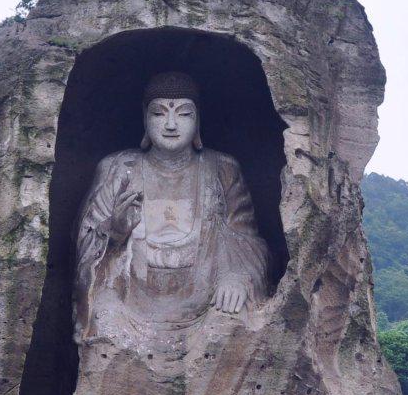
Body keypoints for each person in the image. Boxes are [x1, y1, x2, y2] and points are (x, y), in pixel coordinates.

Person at [74, 71, 269, 350]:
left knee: (233, 322)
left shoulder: (222, 169)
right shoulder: (118, 169)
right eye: (158, 114)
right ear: (144, 118)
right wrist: (115, 230)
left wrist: (236, 277)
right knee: (103, 319)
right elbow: (85, 249)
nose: (170, 124)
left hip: (205, 302)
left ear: (198, 120)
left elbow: (247, 242)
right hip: (131, 301)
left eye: (184, 114)